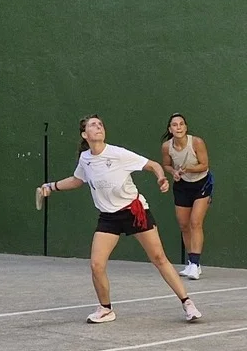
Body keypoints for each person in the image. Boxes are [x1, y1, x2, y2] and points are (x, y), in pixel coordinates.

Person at [38, 114, 202, 323]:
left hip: (134, 211)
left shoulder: (118, 154)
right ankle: (106, 309)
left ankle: (187, 303)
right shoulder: (85, 159)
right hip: (108, 217)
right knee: (96, 265)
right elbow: (77, 180)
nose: (99, 127)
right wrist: (51, 186)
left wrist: (161, 178)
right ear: (85, 135)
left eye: (100, 124)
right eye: (93, 125)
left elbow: (153, 164)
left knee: (159, 258)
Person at [160, 113, 214, 280]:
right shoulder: (166, 147)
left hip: (202, 184)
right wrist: (174, 172)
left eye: (181, 124)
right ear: (170, 129)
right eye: (175, 125)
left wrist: (187, 169)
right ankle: (191, 263)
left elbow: (204, 165)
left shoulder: (196, 142)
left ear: (186, 127)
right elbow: (166, 165)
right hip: (182, 186)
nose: (178, 127)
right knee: (184, 225)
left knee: (195, 222)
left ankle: (195, 265)